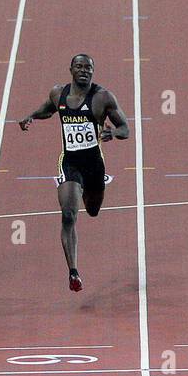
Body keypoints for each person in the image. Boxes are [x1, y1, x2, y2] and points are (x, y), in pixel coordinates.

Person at [18, 54, 129, 292]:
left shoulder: (103, 98)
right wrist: (31, 116)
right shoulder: (58, 93)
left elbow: (125, 127)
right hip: (69, 162)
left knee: (92, 210)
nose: (84, 71)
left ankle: (95, 189)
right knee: (68, 214)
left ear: (93, 71)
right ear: (70, 69)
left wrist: (115, 134)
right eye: (79, 66)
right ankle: (73, 272)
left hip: (94, 165)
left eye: (88, 67)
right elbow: (48, 110)